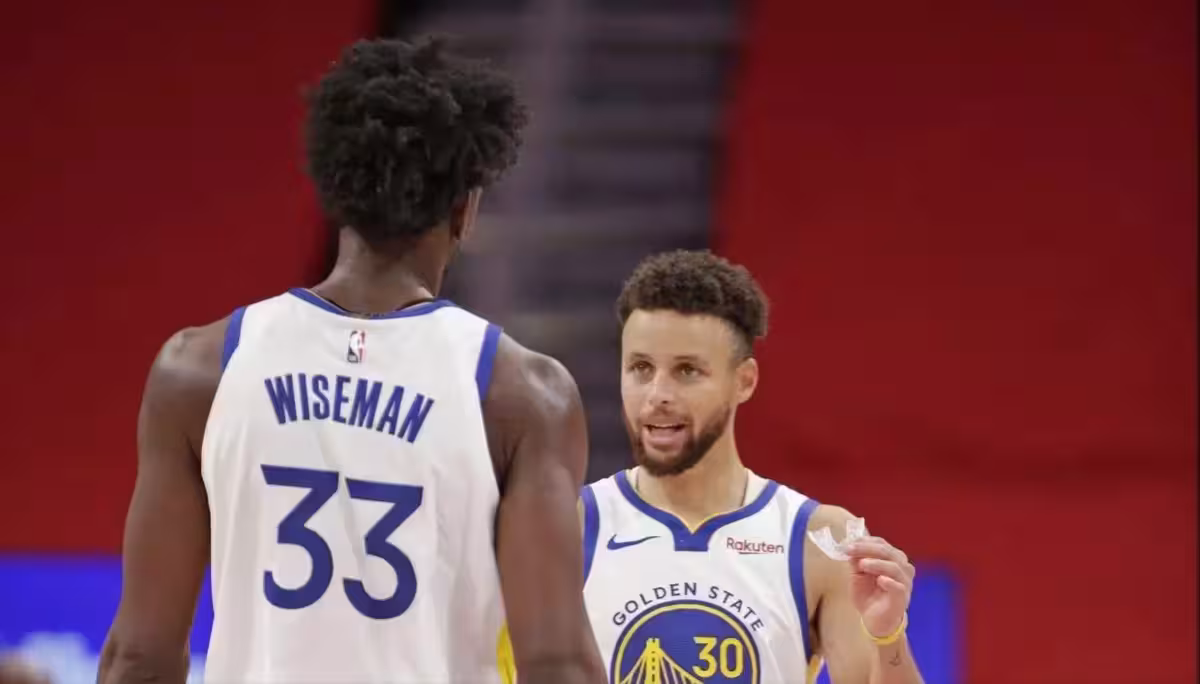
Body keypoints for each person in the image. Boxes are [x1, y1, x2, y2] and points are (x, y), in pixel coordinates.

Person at [98, 36, 605, 684]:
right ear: (465, 210)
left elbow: (140, 656)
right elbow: (556, 663)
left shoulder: (198, 369)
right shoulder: (523, 394)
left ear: (334, 190)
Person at [580, 250, 925, 684]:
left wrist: (889, 637)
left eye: (687, 371)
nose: (657, 394)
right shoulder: (567, 527)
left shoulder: (818, 539)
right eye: (641, 368)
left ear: (744, 381)